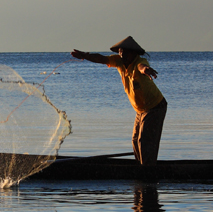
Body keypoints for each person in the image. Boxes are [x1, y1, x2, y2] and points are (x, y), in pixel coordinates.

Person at [71, 36, 167, 166]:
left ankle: (148, 169)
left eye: (125, 52)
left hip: (155, 107)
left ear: (133, 53)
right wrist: (85, 56)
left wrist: (146, 70)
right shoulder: (119, 62)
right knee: (135, 140)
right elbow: (101, 58)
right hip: (140, 110)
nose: (122, 54)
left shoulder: (139, 61)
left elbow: (142, 67)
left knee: (144, 140)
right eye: (121, 51)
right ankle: (141, 166)